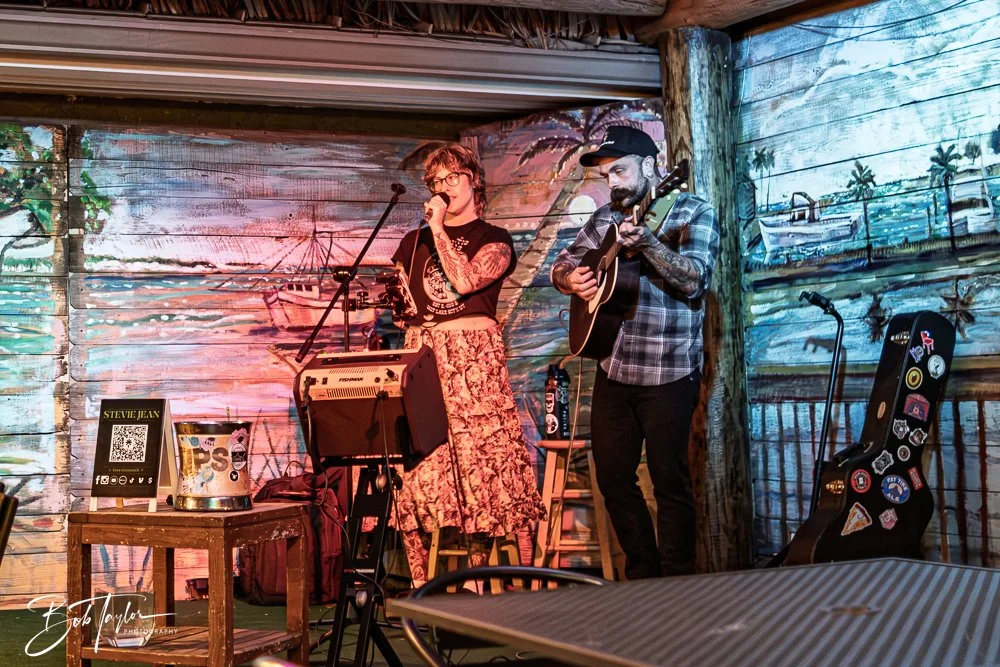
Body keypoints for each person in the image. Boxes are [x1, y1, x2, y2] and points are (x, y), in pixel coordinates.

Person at [550, 126, 720, 579]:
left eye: (620, 171)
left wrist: (648, 243)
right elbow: (563, 263)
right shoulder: (606, 217)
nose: (614, 182)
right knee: (612, 478)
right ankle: (642, 575)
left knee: (670, 483)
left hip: (669, 372)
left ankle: (677, 581)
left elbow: (695, 280)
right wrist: (571, 280)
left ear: (650, 166)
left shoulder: (694, 212)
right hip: (615, 367)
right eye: (607, 175)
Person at [391, 144, 546, 588]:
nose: (443, 188)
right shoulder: (412, 242)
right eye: (435, 181)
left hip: (472, 360)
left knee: (484, 464)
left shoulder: (494, 238)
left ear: (473, 179)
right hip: (425, 355)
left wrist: (439, 228)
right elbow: (405, 306)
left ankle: (493, 580)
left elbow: (464, 281)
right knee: (421, 465)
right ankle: (420, 585)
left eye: (452, 178)